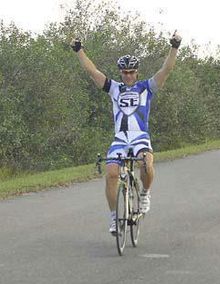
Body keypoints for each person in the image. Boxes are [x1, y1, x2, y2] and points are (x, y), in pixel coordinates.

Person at [70, 31, 182, 235]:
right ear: (120, 72)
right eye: (124, 72)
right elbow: (92, 71)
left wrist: (174, 47)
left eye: (131, 72)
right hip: (120, 139)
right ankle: (114, 218)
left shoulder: (147, 87)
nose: (128, 75)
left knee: (146, 164)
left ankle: (145, 193)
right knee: (111, 173)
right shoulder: (114, 88)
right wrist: (79, 50)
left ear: (136, 72)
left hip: (140, 137)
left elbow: (167, 69)